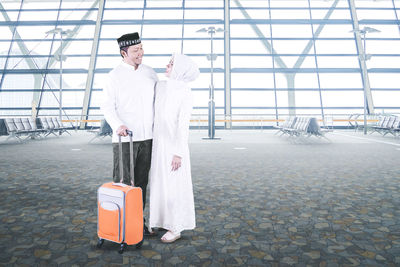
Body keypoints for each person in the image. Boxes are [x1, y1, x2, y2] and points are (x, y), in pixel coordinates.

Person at [101, 32, 158, 236]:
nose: (140, 53)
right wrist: (118, 124)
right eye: (135, 50)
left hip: (148, 137)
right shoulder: (114, 76)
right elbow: (107, 106)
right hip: (125, 138)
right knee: (123, 182)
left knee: (141, 183)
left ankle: (137, 221)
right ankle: (120, 223)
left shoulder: (150, 73)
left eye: (141, 48)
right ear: (123, 53)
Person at [149, 54, 199, 243]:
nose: (167, 66)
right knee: (159, 183)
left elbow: (182, 125)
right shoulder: (162, 86)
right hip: (159, 145)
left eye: (171, 64)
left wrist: (178, 152)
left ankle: (176, 227)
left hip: (174, 148)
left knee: (174, 187)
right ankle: (162, 220)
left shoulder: (185, 92)